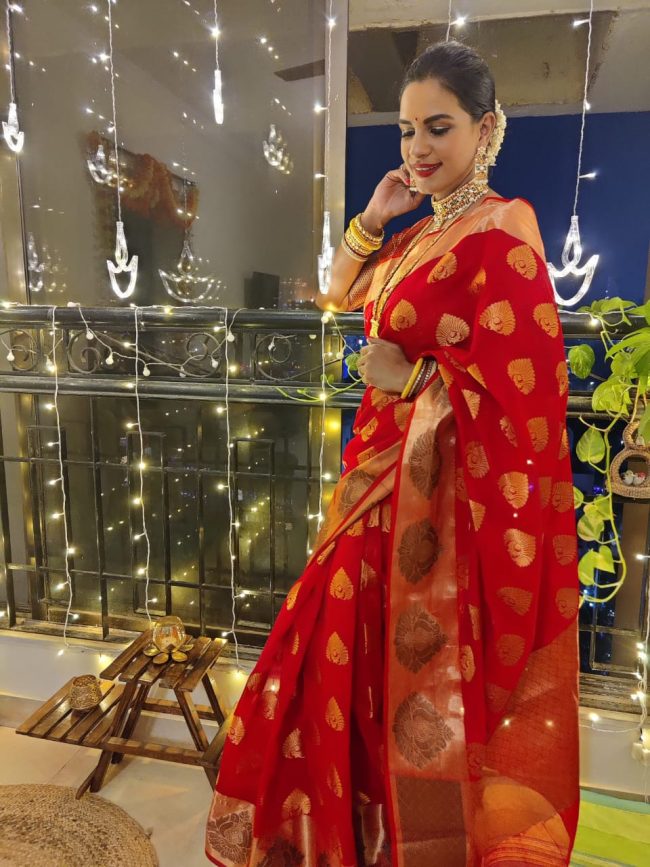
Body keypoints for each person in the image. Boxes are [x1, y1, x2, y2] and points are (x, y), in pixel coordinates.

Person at [206, 40, 580, 867]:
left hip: (432, 518)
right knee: (339, 673)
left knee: (391, 684)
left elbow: (525, 402)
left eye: (438, 127)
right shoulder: (416, 238)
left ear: (487, 128)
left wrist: (413, 380)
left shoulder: (504, 233)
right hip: (372, 486)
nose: (418, 148)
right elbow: (338, 295)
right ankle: (359, 844)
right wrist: (373, 219)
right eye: (407, 130)